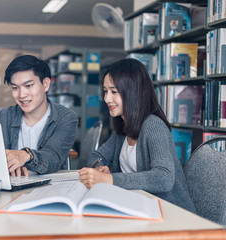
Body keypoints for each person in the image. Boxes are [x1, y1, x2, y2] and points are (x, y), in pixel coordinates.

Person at [78, 58, 196, 213]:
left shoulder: (153, 126)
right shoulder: (123, 129)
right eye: (106, 91)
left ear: (133, 92)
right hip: (139, 207)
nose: (107, 99)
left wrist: (110, 179)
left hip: (170, 212)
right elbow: (95, 155)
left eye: (114, 92)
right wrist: (99, 168)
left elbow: (164, 178)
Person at [0, 55, 78, 176]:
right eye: (15, 88)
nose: (22, 95)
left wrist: (26, 155)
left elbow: (53, 157)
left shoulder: (66, 118)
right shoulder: (2, 118)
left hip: (51, 189)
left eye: (28, 86)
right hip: (12, 189)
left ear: (46, 84)